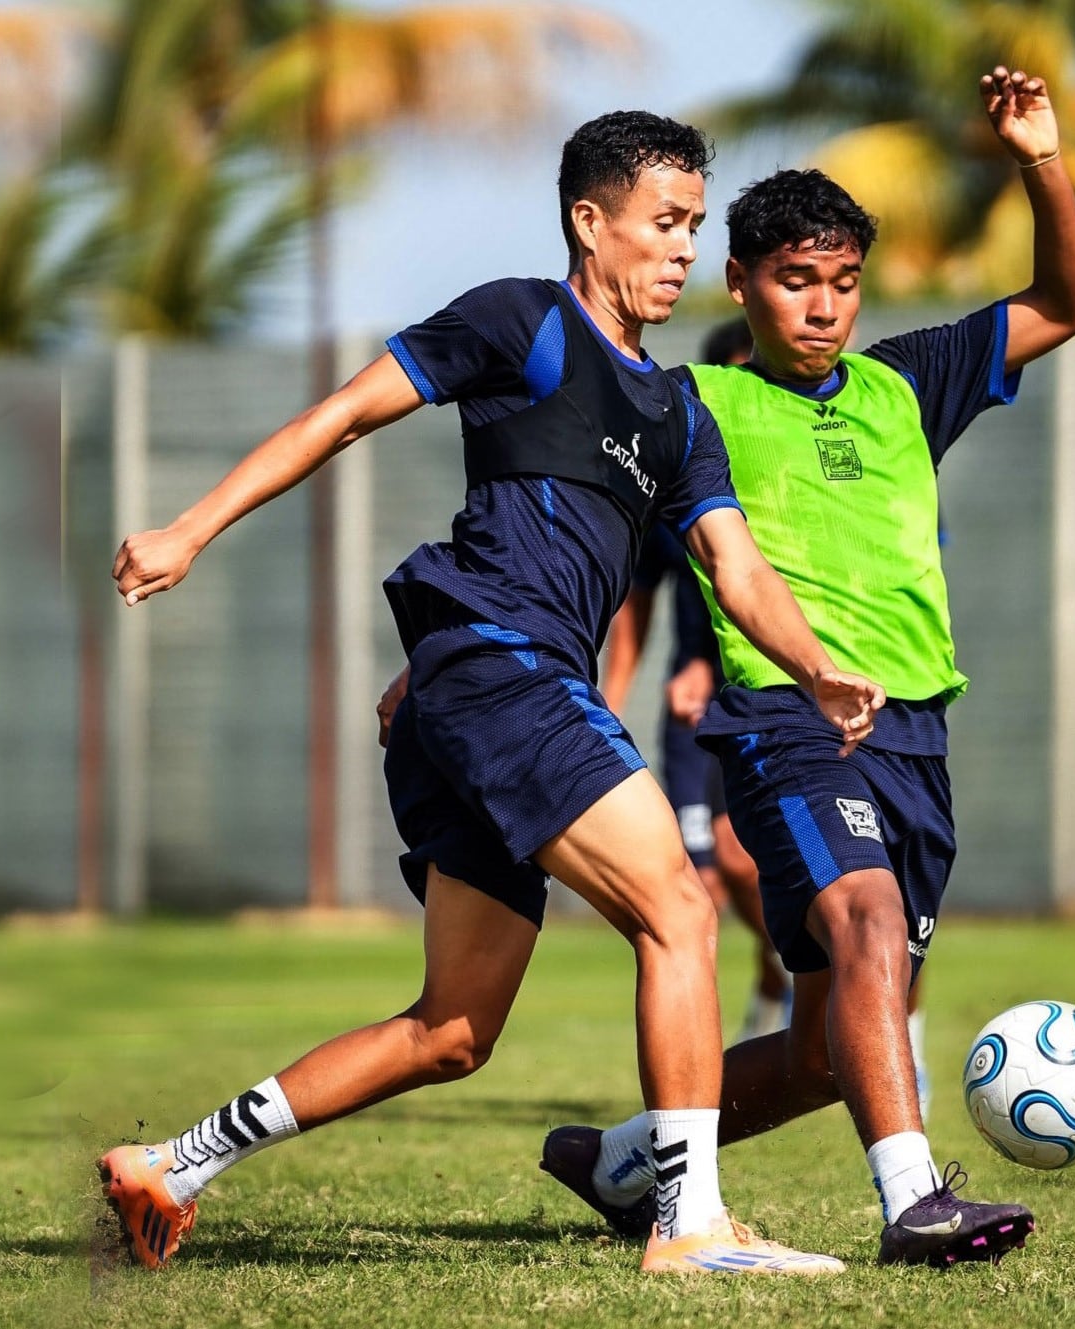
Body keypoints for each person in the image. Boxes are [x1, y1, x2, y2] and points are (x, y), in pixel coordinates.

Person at [99, 110, 883, 1277]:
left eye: (692, 227)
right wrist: (189, 528)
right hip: (493, 671)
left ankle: (173, 1161)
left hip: (483, 689)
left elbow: (737, 565)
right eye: (663, 224)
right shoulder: (522, 320)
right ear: (589, 220)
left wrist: (814, 662)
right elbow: (341, 413)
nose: (680, 250)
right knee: (674, 905)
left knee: (452, 1031)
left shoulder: (676, 414)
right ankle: (688, 1226)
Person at [543, 67, 1075, 1268]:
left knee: (826, 1043)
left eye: (843, 285)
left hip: (916, 737)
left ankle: (628, 1160)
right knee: (867, 920)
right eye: (796, 283)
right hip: (783, 722)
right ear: (739, 283)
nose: (824, 308)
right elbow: (579, 535)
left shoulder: (911, 384)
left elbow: (1069, 298)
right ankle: (913, 1203)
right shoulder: (691, 406)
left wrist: (1039, 159)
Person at [599, 319, 790, 1043]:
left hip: (765, 697)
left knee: (742, 861)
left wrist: (713, 662)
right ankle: (729, 1032)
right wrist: (610, 697)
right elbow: (637, 605)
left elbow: (765, 591)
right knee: (698, 879)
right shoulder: (678, 490)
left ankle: (783, 973)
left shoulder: (784, 495)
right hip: (690, 715)